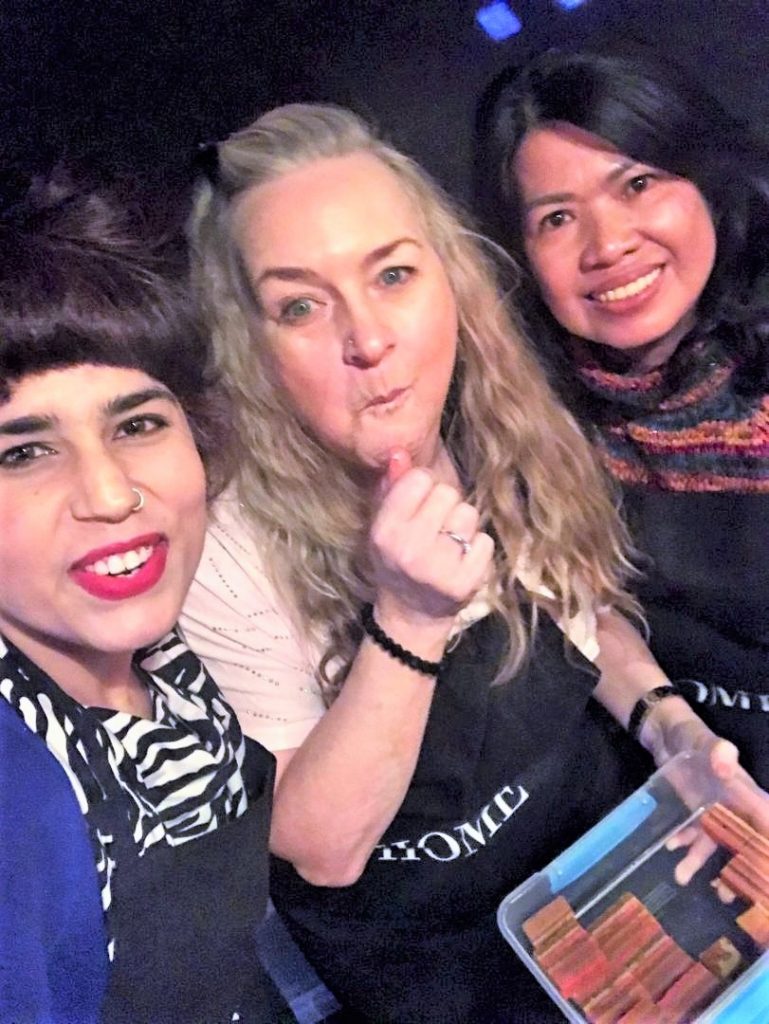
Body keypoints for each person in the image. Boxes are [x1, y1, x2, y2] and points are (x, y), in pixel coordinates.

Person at [182, 104, 746, 1023]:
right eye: (299, 306)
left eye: (392, 274)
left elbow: (581, 611)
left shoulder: (495, 422)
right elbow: (322, 847)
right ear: (247, 344)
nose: (368, 339)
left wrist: (668, 729)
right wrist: (408, 617)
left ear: (449, 278)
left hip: (604, 870)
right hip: (442, 965)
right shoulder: (222, 546)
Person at [0, 168, 279, 1024]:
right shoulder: (18, 809)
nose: (112, 493)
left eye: (137, 424)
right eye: (23, 453)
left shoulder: (155, 647)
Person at [490, 45, 769, 790]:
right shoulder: (524, 410)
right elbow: (582, 604)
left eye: (637, 184)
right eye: (557, 218)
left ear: (706, 179)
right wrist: (672, 730)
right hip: (681, 782)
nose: (608, 245)